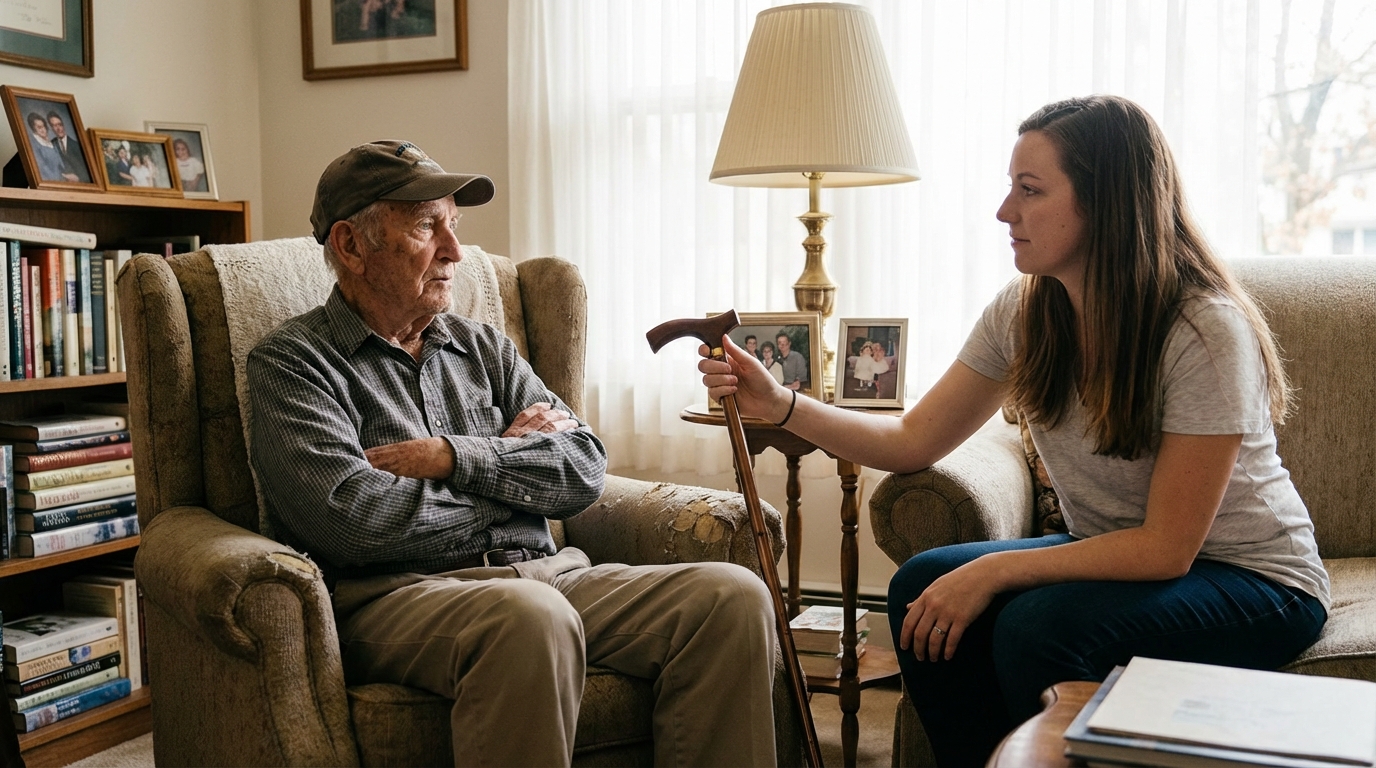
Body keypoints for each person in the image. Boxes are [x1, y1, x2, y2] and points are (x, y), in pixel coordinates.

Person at [700, 95, 1328, 767]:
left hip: (1254, 581)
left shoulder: (1201, 330)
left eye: (1030, 191)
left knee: (1036, 630)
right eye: (1010, 188)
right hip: (1125, 558)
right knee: (920, 588)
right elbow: (910, 441)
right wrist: (780, 404)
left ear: (1105, 202)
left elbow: (1169, 548)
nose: (1005, 212)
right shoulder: (1025, 313)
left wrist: (1000, 569)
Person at [247, 140, 779, 767]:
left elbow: (582, 466)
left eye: (455, 225)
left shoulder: (484, 348)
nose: (454, 251)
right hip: (398, 598)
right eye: (426, 226)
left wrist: (454, 458)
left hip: (548, 575)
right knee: (529, 617)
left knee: (732, 598)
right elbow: (354, 522)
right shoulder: (293, 365)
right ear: (351, 246)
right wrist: (510, 478)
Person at [46, 111, 89, 183]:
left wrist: (78, 179)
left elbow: (87, 172)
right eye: (54, 126)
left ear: (63, 125)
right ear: (51, 128)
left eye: (60, 124)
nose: (59, 128)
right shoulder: (50, 145)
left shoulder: (77, 145)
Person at [26, 112, 63, 182]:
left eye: (44, 126)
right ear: (33, 129)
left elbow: (60, 164)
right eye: (39, 127)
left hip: (60, 179)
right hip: (49, 181)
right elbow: (42, 168)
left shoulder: (51, 143)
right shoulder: (34, 145)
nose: (43, 130)